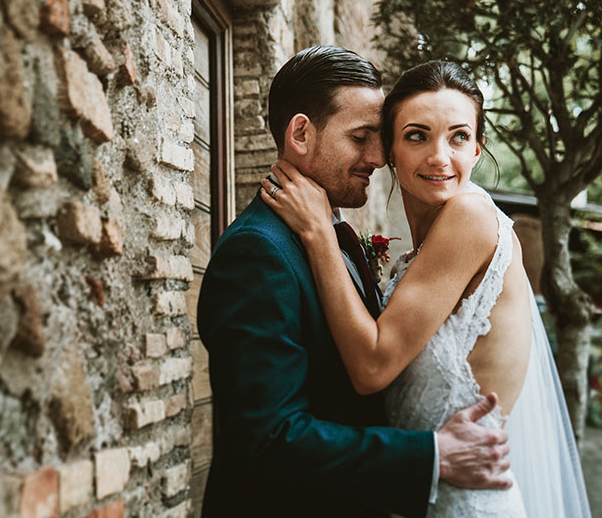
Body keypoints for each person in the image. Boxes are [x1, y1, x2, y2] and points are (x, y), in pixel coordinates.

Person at [262, 60, 591, 517]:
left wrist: (319, 232)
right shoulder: (419, 256)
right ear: (390, 149)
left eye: (458, 137)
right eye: (417, 135)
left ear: (478, 149)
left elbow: (373, 366)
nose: (440, 156)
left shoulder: (471, 217)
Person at [197, 47, 512, 518]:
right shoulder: (258, 253)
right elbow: (269, 440)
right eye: (362, 137)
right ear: (301, 133)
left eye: (380, 138)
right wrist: (431, 456)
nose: (379, 156)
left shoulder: (330, 232)